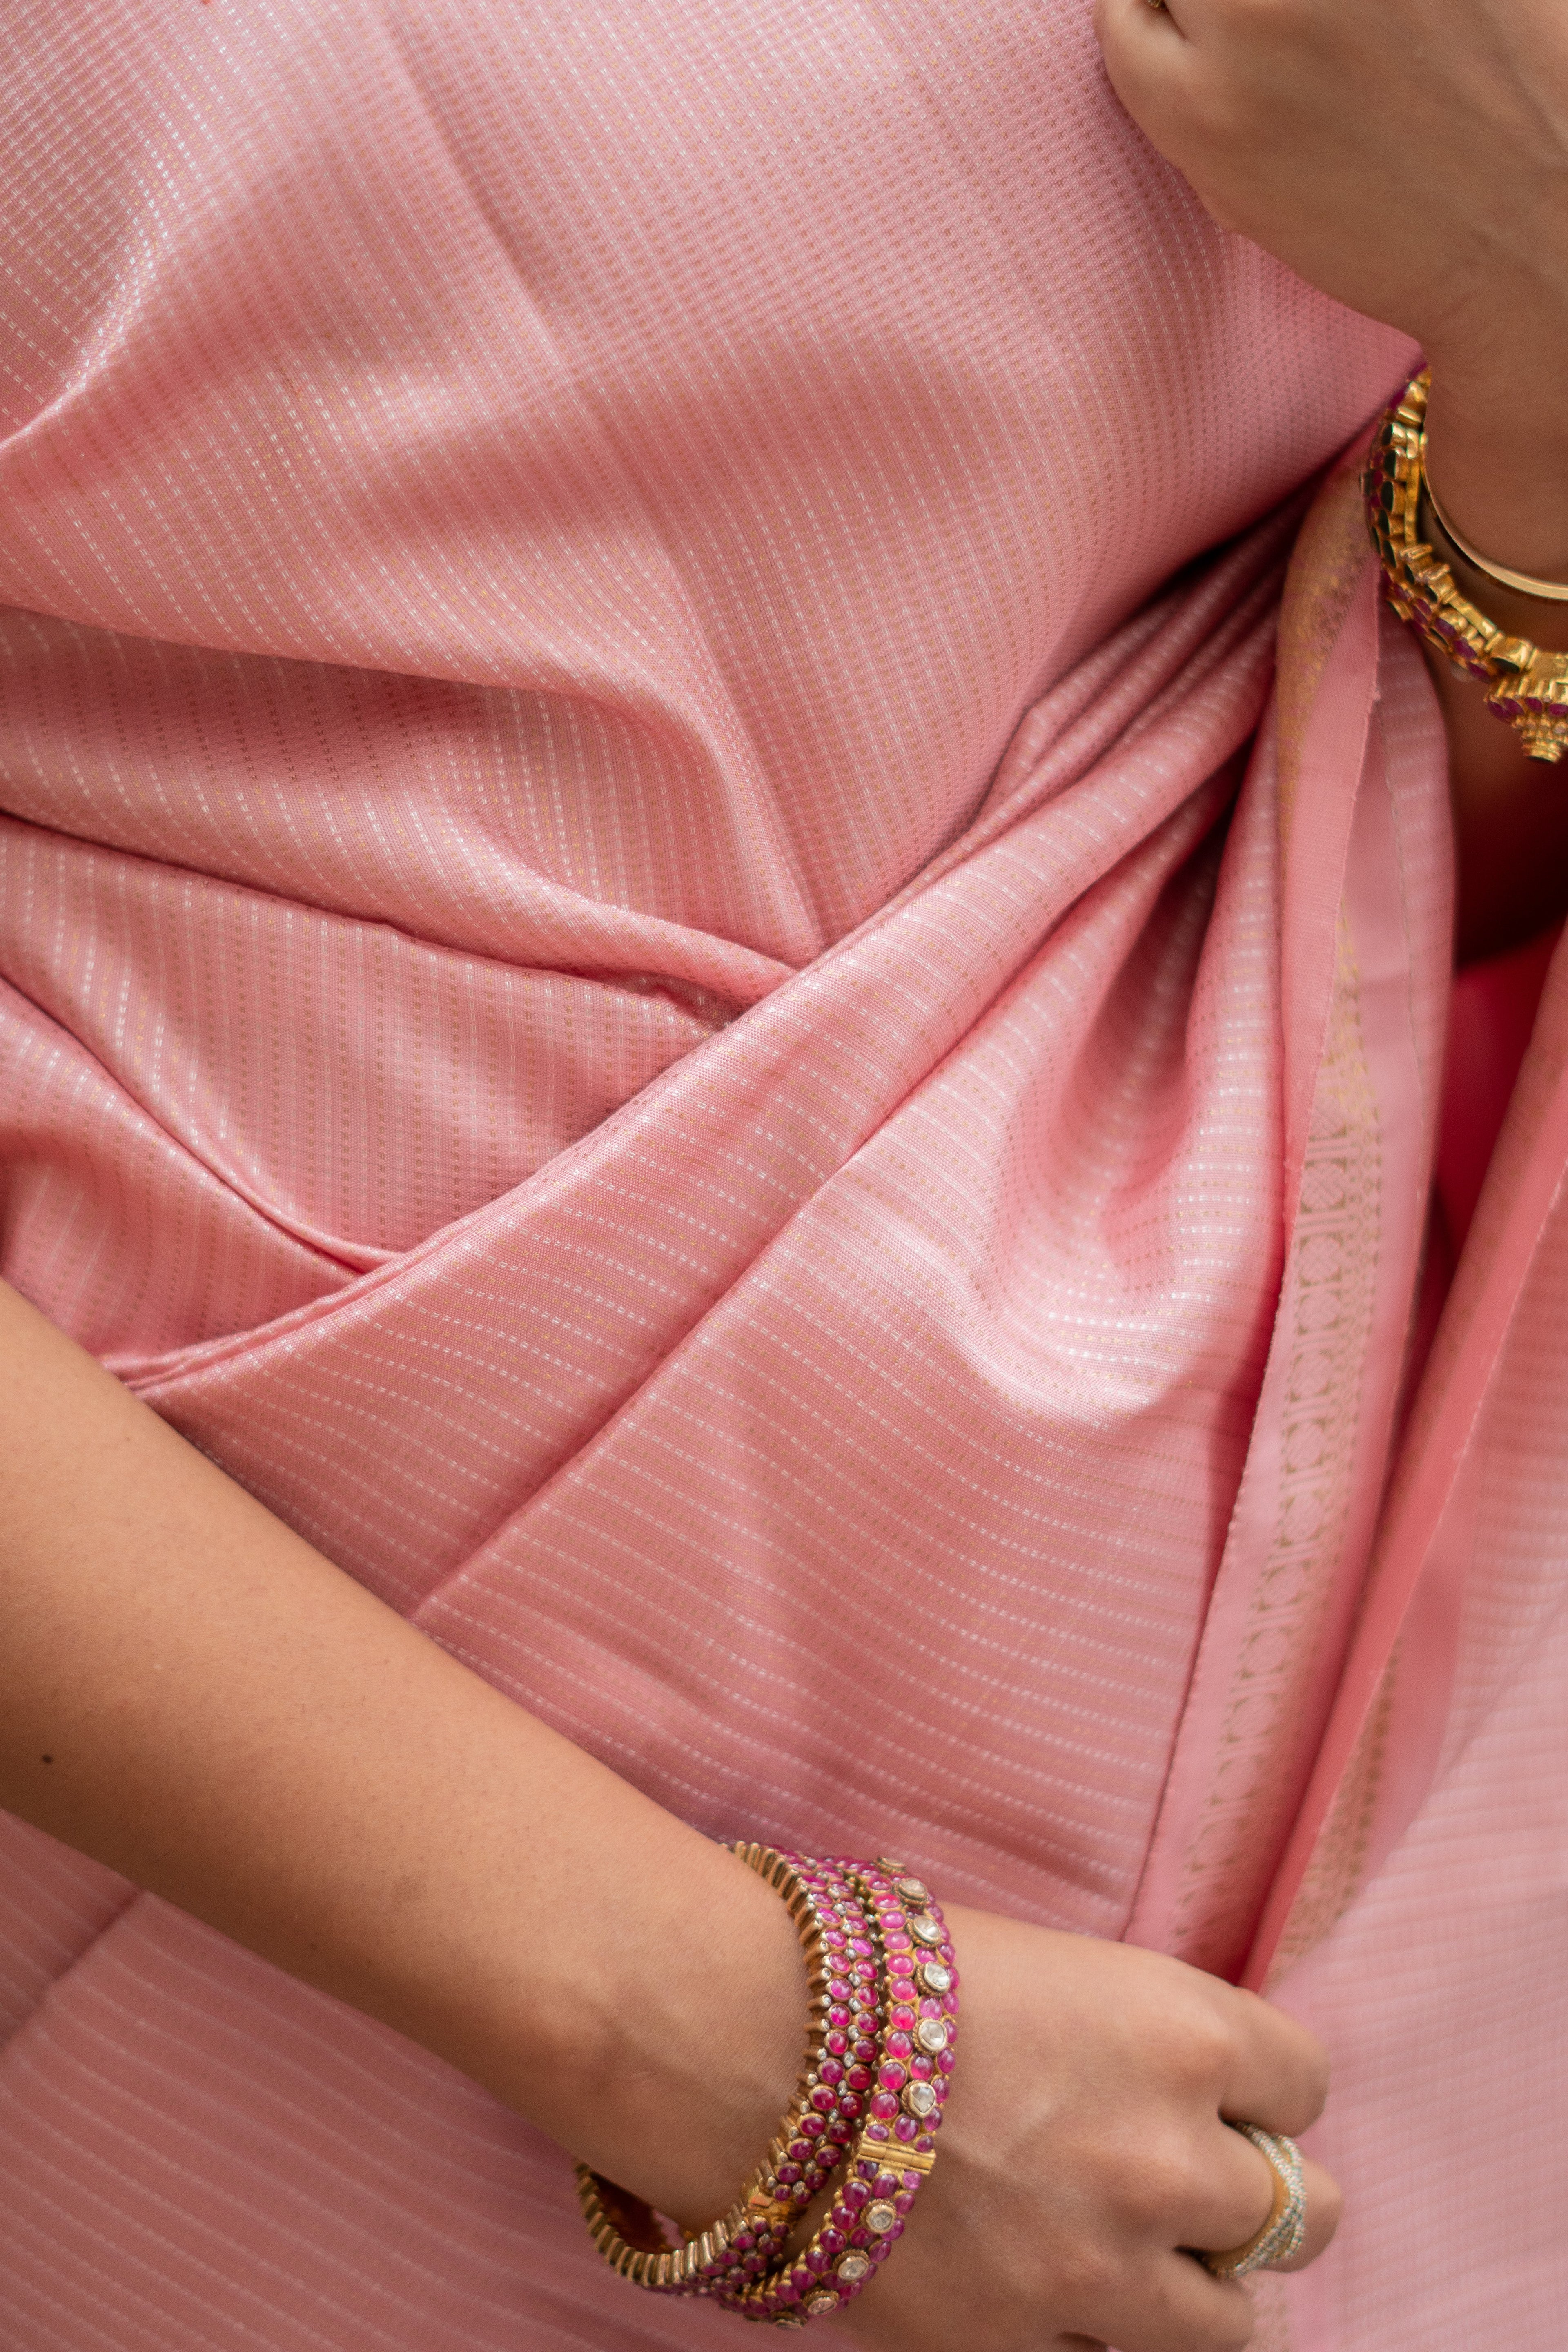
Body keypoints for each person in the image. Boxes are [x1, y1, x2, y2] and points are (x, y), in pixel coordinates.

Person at [0, 2, 1564, 2346]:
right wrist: (726, 2042)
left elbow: (1412, 843)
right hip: (315, 1934)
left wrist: (1546, 311)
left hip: (1369, 1888)